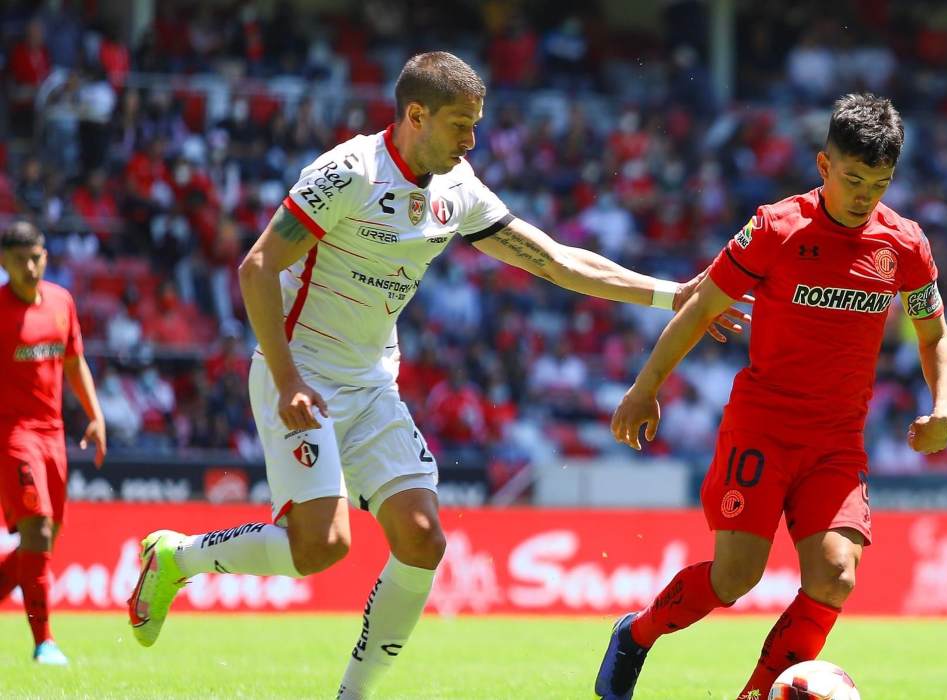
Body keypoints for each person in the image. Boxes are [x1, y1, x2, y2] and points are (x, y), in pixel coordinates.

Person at [125, 51, 746, 698]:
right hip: (301, 374)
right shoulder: (349, 173)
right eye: (460, 125)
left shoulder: (458, 189)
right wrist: (287, 382)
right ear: (415, 115)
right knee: (319, 548)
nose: (471, 140)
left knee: (423, 538)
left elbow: (556, 261)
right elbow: (257, 267)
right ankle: (177, 558)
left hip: (371, 384)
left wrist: (673, 295)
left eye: (476, 125)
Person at [595, 93, 947, 700]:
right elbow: (702, 307)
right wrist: (645, 387)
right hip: (762, 428)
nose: (865, 196)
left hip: (837, 442)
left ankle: (755, 697)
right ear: (824, 165)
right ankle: (636, 633)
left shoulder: (905, 245)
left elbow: (934, 334)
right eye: (853, 179)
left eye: (879, 183)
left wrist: (944, 407)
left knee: (836, 575)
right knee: (735, 577)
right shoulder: (776, 227)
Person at [0, 221, 107, 665]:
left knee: (46, 537)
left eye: (36, 258)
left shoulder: (62, 301)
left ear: (45, 255)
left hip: (54, 434)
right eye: (19, 260)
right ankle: (44, 641)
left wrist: (95, 415)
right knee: (38, 530)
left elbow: (75, 361)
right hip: (12, 435)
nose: (30, 267)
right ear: (4, 263)